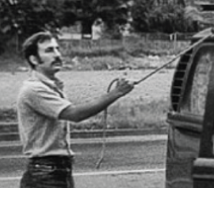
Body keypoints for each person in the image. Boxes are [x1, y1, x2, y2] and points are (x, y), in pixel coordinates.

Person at [17, 31, 134, 188]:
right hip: (45, 175)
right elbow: (74, 114)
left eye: (57, 49)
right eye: (49, 50)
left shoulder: (51, 86)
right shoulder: (34, 90)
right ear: (34, 59)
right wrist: (116, 93)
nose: (57, 55)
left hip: (56, 171)